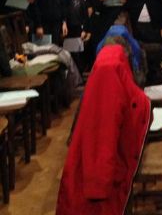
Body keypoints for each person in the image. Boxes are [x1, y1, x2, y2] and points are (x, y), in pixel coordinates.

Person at [56, 43, 151, 215]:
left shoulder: (109, 70)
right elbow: (101, 146)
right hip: (98, 193)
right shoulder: (110, 77)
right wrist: (99, 187)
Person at [62, 0, 90, 75]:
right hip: (66, 32)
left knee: (78, 56)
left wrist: (85, 30)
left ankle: (79, 76)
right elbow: (61, 15)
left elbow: (85, 16)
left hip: (78, 31)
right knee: (68, 56)